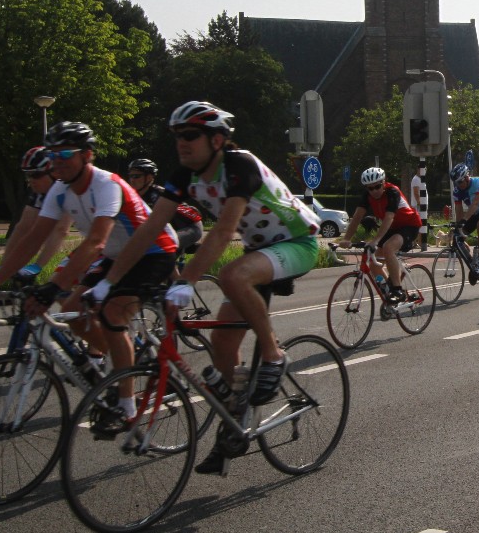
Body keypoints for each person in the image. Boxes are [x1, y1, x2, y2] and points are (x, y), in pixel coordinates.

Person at [107, 102, 321, 471]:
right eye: (177, 136)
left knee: (231, 275)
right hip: (259, 251)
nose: (182, 143)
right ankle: (235, 425)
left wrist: (186, 280)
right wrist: (109, 282)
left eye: (190, 135)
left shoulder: (239, 165)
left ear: (217, 140)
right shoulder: (184, 175)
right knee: (221, 343)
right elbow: (149, 229)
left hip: (297, 243)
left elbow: (223, 232)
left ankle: (273, 355)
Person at [0, 121, 179, 427]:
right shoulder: (60, 190)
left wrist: (52, 286)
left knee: (112, 313)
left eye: (66, 153)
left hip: (154, 250)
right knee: (72, 310)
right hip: (116, 255)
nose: (58, 161)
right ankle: (123, 360)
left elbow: (96, 242)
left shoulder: (106, 184)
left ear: (87, 155)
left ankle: (127, 405)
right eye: (53, 155)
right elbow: (34, 238)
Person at [0, 147, 75, 278]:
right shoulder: (41, 192)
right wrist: (2, 269)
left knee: (58, 281)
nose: (31, 180)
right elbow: (23, 227)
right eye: (28, 174)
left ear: (54, 172)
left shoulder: (68, 188)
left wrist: (37, 266)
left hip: (105, 241)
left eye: (36, 175)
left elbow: (61, 230)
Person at [342, 166, 424, 293]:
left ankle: (397, 289)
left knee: (388, 247)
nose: (374, 191)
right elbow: (357, 217)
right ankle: (388, 291)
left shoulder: (392, 192)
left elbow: (389, 217)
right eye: (370, 188)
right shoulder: (367, 196)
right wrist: (346, 238)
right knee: (373, 264)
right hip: (392, 228)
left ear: (384, 183)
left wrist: (375, 241)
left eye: (377, 186)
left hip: (409, 225)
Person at [126, 157, 205, 253]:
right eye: (130, 176)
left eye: (136, 176)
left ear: (149, 177)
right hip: (168, 231)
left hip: (191, 227)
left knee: (159, 248)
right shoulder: (133, 196)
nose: (132, 180)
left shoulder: (161, 195)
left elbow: (194, 215)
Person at [409, 160, 429, 251]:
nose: (425, 171)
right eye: (423, 169)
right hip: (419, 206)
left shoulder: (420, 179)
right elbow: (416, 193)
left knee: (421, 224)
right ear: (418, 169)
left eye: (425, 170)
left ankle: (418, 241)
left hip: (422, 206)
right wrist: (421, 204)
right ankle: (420, 242)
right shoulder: (416, 179)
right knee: (420, 224)